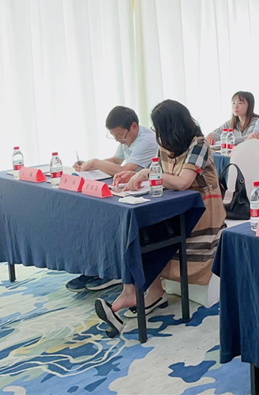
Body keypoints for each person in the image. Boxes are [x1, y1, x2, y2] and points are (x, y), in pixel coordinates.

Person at [95, 100, 226, 338]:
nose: (157, 133)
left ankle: (143, 293)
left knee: (151, 233)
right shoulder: (165, 146)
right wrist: (133, 176)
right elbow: (158, 176)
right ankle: (134, 292)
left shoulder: (199, 144)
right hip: (174, 208)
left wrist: (147, 173)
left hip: (201, 211)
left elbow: (183, 182)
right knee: (136, 229)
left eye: (160, 128)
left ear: (173, 126)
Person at [67, 106, 158, 293]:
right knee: (91, 216)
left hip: (146, 196)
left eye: (120, 135)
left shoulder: (146, 140)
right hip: (127, 189)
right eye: (114, 136)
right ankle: (94, 268)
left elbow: (126, 170)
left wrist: (95, 162)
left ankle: (113, 271)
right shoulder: (127, 138)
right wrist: (88, 165)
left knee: (108, 219)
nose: (118, 139)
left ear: (134, 126)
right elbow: (116, 161)